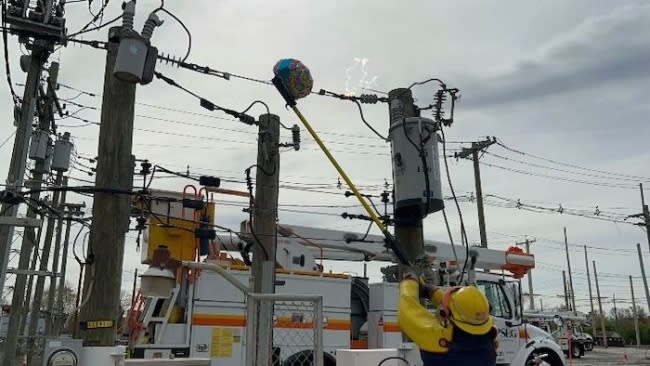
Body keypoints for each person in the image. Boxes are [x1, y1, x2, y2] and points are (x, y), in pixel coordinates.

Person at [398, 275, 498, 365]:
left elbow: (407, 307)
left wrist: (409, 282)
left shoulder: (435, 338)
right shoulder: (491, 336)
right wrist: (433, 293)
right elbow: (462, 311)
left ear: (445, 313)